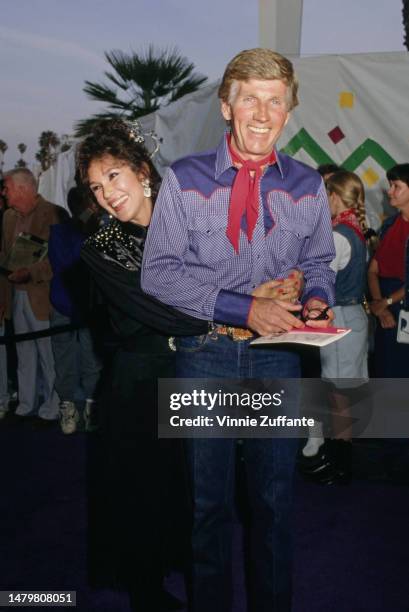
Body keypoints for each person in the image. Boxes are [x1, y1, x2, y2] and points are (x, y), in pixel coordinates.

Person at [142, 48, 336, 612]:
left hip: (279, 357)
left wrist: (319, 298)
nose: (261, 111)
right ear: (226, 106)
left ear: (288, 111)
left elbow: (320, 259)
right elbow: (158, 274)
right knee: (207, 506)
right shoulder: (184, 178)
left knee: (276, 504)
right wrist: (242, 308)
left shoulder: (306, 184)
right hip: (203, 356)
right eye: (248, 97)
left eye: (274, 101)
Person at [76, 119, 213, 612]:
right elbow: (161, 310)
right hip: (137, 387)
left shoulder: (191, 226)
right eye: (96, 185)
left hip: (195, 377)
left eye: (113, 176)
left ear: (142, 171)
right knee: (139, 495)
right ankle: (146, 592)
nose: (107, 193)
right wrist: (241, 305)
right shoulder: (102, 248)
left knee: (189, 493)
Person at [301, 170, 370, 483]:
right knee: (342, 391)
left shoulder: (339, 234)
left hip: (339, 316)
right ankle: (340, 457)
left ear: (333, 196)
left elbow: (321, 281)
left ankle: (340, 463)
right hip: (352, 314)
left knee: (338, 393)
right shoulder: (355, 230)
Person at [0, 168, 64, 423]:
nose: (4, 192)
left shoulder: (53, 214)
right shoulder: (7, 217)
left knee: (48, 353)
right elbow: (5, 258)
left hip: (43, 295)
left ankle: (52, 406)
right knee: (24, 352)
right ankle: (26, 404)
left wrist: (31, 273)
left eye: (7, 187)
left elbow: (57, 260)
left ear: (23, 189)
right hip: (15, 294)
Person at [48, 186, 102, 434]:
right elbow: (67, 263)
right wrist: (83, 227)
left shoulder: (100, 231)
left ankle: (92, 406)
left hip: (90, 307)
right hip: (64, 305)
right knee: (64, 361)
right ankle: (67, 405)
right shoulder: (60, 232)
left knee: (92, 360)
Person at [368, 163, 409, 377]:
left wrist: (388, 302)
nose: (390, 191)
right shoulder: (389, 224)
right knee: (385, 371)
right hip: (385, 306)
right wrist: (379, 304)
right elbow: (373, 269)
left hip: (402, 303)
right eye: (390, 185)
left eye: (396, 186)